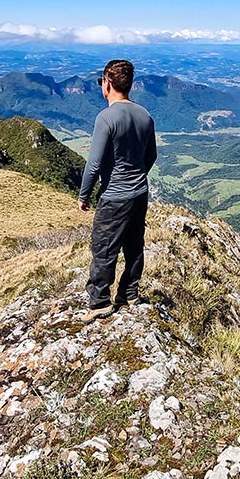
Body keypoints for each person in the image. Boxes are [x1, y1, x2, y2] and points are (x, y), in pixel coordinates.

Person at [78, 59, 157, 323]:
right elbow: (151, 155)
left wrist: (84, 195)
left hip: (114, 196)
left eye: (102, 81)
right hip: (139, 193)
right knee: (134, 246)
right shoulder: (145, 115)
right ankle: (129, 294)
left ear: (107, 84)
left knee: (104, 248)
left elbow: (94, 164)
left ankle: (100, 302)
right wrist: (137, 177)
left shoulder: (106, 118)